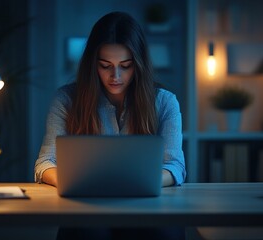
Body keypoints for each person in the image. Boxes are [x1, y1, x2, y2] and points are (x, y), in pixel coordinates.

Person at [34, 11, 186, 240]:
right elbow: (45, 163)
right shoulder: (66, 100)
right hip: (85, 207)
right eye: (105, 65)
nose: (115, 76)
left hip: (147, 206)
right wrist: (73, 183)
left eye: (125, 66)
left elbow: (175, 166)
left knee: (161, 231)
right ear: (92, 64)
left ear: (139, 64)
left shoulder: (164, 102)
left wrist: (137, 185)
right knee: (89, 231)